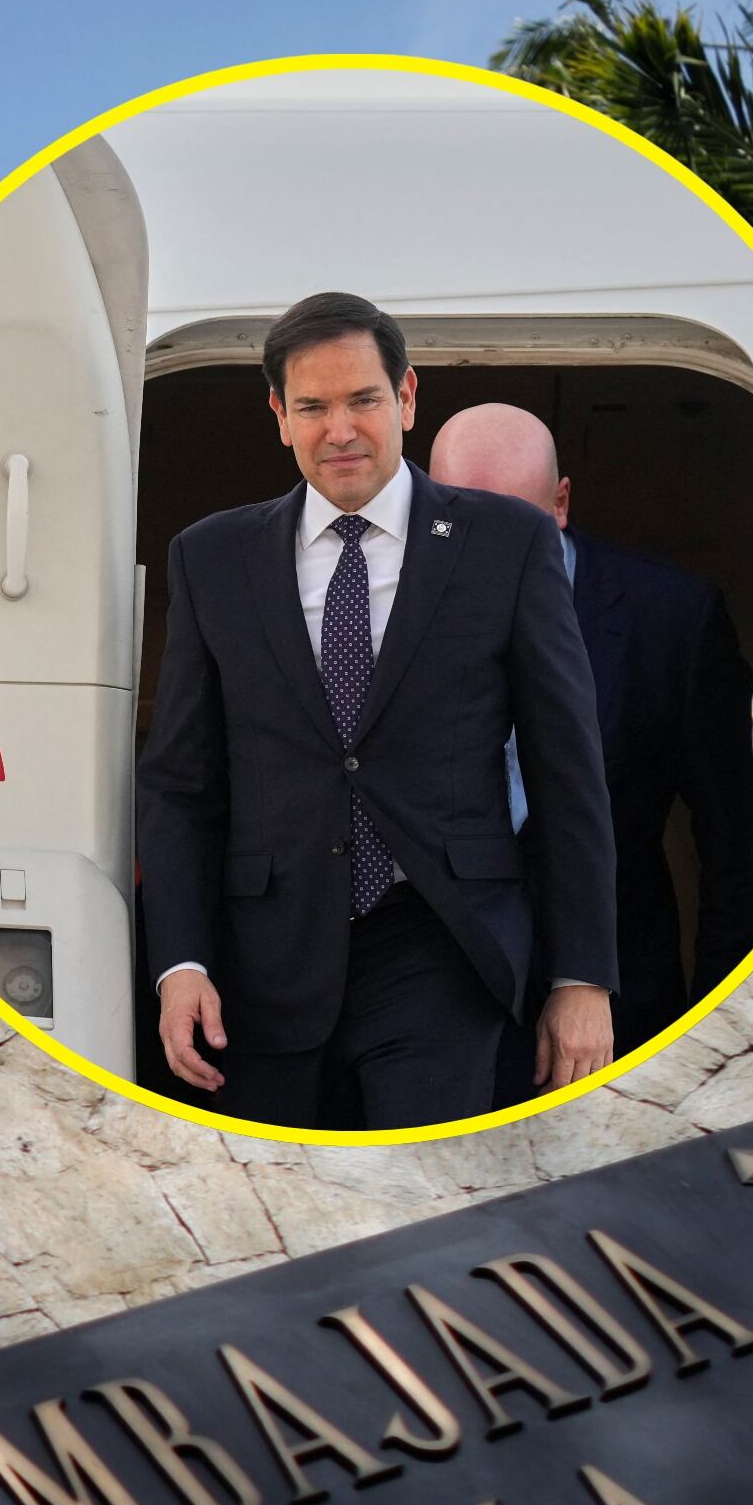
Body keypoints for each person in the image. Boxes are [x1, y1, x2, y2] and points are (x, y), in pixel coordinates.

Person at [136, 292, 615, 1129]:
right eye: (313, 407)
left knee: (421, 1200)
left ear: (407, 399)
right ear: (280, 416)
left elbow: (566, 768)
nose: (341, 429)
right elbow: (180, 784)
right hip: (265, 965)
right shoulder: (212, 558)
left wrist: (582, 979)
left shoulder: (506, 544)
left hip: (444, 946)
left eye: (363, 400)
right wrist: (180, 962)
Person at [427, 402, 753, 1106]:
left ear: (561, 505)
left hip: (622, 1004)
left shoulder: (671, 617)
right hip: (433, 1015)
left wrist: (721, 1025)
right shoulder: (378, 604)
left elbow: (735, 841)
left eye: (510, 524)